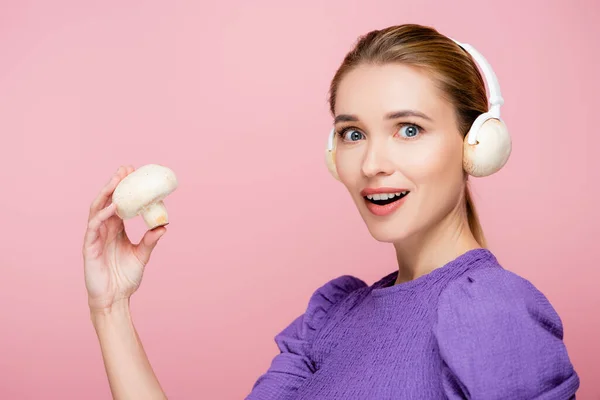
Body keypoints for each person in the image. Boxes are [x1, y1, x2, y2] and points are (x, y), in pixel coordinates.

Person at [82, 24, 580, 399]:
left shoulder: (494, 309)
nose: (372, 164)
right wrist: (111, 308)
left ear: (476, 144)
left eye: (409, 129)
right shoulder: (333, 317)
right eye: (353, 133)